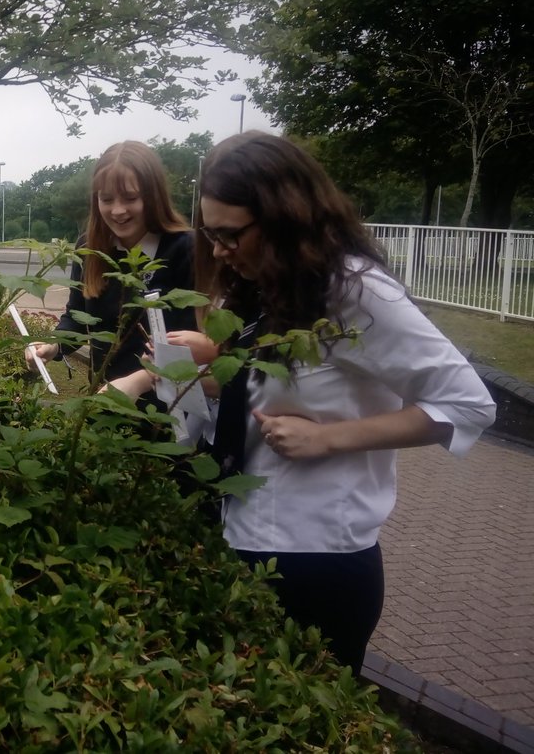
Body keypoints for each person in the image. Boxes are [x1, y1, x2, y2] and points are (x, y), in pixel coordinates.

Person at [195, 131, 494, 675]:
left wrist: (328, 437)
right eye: (210, 234)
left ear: (285, 219)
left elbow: (468, 404)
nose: (219, 251)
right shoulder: (266, 284)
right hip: (242, 533)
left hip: (318, 558)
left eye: (231, 234)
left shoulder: (356, 292)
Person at [25, 140, 194, 389]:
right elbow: (78, 316)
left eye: (130, 198)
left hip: (169, 409)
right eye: (106, 199)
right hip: (103, 396)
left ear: (153, 196)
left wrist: (137, 384)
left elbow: (197, 345)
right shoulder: (89, 247)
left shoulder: (185, 249)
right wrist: (54, 344)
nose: (117, 210)